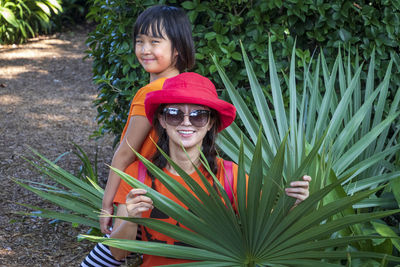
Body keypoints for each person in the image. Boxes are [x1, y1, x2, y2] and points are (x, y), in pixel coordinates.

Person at [107, 72, 311, 266]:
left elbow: (267, 229)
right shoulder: (137, 175)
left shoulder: (231, 176)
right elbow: (118, 253)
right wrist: (130, 220)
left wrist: (293, 203)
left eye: (198, 115)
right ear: (162, 120)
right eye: (174, 114)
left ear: (210, 122)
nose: (186, 122)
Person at [80, 5, 195, 267]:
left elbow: (124, 153)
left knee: (98, 262)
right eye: (140, 41)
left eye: (155, 42)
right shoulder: (187, 87)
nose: (145, 49)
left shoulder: (149, 93)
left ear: (177, 48)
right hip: (173, 194)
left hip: (138, 192)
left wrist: (107, 205)